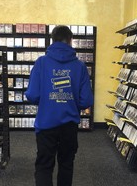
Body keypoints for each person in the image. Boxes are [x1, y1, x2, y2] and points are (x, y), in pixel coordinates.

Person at [25, 25, 93, 186]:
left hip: (46, 124)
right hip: (69, 125)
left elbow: (32, 95)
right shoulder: (80, 66)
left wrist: (48, 101)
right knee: (66, 165)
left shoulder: (41, 63)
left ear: (52, 40)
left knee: (44, 166)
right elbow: (86, 101)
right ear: (70, 40)